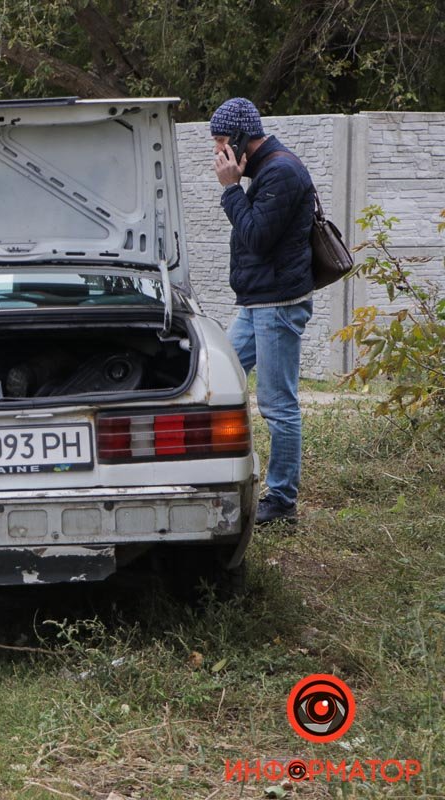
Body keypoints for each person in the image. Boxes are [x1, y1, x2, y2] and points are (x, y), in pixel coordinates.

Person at [210, 97, 315, 526]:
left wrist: (231, 189)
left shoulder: (281, 172)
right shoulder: (267, 170)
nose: (217, 152)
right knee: (216, 378)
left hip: (277, 305)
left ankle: (283, 500)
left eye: (221, 141)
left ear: (240, 138)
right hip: (257, 303)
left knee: (277, 404)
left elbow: (256, 236)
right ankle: (216, 474)